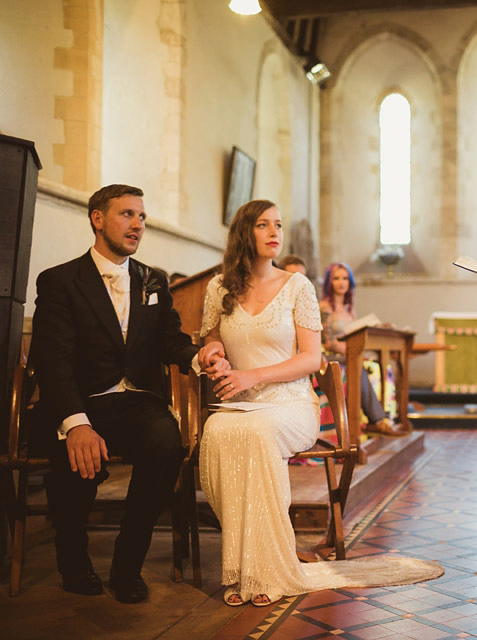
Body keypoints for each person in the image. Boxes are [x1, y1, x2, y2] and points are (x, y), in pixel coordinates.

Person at [197, 200, 439, 607]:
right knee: (218, 430)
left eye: (278, 224)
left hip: (290, 405)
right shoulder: (218, 287)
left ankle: (267, 568)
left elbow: (312, 358)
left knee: (257, 433)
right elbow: (210, 336)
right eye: (263, 225)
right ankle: (242, 565)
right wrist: (213, 352)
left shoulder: (297, 286)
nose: (275, 231)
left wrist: (251, 376)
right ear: (243, 232)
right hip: (239, 404)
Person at [31, 184, 205, 603]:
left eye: (142, 217)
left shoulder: (152, 280)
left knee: (166, 446)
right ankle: (72, 560)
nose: (137, 225)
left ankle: (128, 565)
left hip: (138, 402)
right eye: (127, 214)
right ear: (97, 219)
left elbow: (171, 341)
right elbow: (52, 361)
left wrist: (201, 358)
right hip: (81, 401)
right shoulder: (60, 281)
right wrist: (76, 424)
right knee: (76, 464)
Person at [318, 262, 406, 437]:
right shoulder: (325, 307)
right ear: (329, 282)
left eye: (345, 278)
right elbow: (326, 342)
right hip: (329, 357)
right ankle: (377, 421)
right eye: (336, 278)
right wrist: (353, 353)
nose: (341, 282)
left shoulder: (350, 309)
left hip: (348, 355)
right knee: (359, 368)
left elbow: (354, 336)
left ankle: (388, 419)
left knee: (381, 367)